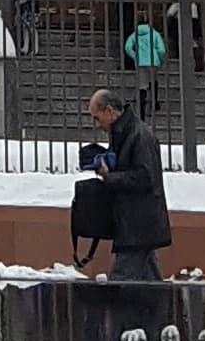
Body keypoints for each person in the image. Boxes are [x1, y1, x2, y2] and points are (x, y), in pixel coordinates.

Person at [72, 84, 172, 283]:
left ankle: (145, 313)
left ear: (109, 111)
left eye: (96, 118)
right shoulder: (124, 133)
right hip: (137, 225)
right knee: (152, 285)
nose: (96, 124)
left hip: (138, 225)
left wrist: (108, 176)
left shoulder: (139, 135)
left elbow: (145, 177)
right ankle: (162, 313)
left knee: (119, 285)